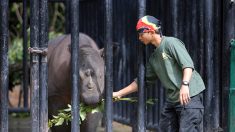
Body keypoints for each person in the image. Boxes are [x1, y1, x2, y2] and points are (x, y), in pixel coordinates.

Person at [113, 15, 205, 132]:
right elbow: (142, 81)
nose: (139, 37)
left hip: (190, 95)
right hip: (173, 99)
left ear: (151, 31)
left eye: (141, 34)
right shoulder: (154, 58)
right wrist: (118, 93)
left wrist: (185, 85)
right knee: (165, 128)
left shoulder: (171, 43)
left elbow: (188, 65)